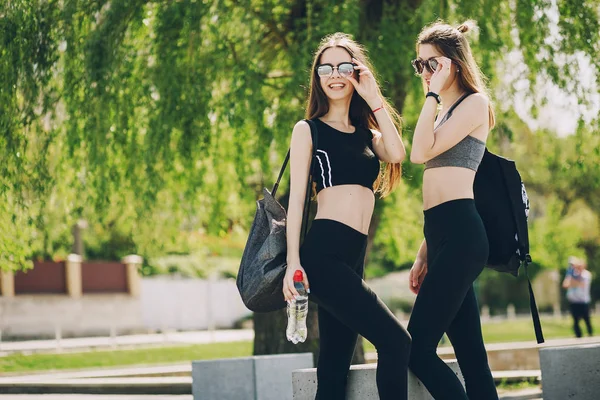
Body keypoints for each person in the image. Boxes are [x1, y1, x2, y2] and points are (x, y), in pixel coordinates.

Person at [282, 32, 411, 400]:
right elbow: (296, 203)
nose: (334, 74)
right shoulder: (308, 129)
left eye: (343, 66)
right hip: (323, 255)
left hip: (354, 256)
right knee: (397, 342)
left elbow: (398, 153)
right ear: (317, 76)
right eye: (326, 67)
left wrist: (374, 99)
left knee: (335, 364)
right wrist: (294, 262)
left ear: (356, 72)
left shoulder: (366, 134)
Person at [407, 20, 499, 399]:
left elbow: (418, 154)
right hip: (441, 235)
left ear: (455, 64)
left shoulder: (475, 104)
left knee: (415, 348)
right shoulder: (443, 112)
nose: (426, 73)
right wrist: (424, 251)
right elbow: (435, 187)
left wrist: (430, 96)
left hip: (462, 235)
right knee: (472, 357)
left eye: (434, 64)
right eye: (421, 65)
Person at [563, 257, 593, 338]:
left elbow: (580, 283)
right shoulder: (572, 274)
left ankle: (590, 334)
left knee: (587, 319)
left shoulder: (586, 274)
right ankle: (578, 335)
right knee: (575, 320)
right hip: (574, 301)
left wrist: (571, 280)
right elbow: (565, 284)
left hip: (583, 301)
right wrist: (570, 274)